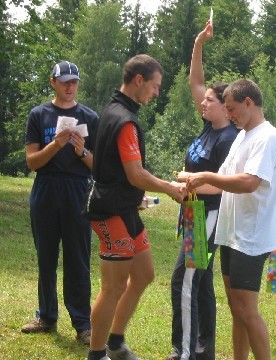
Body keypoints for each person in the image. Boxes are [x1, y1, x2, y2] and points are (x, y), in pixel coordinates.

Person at [85, 54, 187, 360]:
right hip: (108, 211)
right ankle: (97, 353)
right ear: (139, 80)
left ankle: (115, 343)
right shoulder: (124, 119)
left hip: (126, 207)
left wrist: (133, 195)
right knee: (113, 287)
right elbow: (135, 173)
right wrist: (170, 188)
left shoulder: (115, 111)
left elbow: (113, 168)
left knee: (143, 274)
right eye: (155, 86)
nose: (156, 93)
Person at [185, 79, 276, 360]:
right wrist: (189, 187)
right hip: (231, 233)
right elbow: (223, 183)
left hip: (250, 238)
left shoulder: (267, 137)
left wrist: (204, 176)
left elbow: (250, 182)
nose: (229, 115)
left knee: (246, 309)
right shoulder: (243, 135)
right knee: (236, 306)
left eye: (231, 109)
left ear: (248, 103)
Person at [167, 19, 239, 360]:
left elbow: (225, 186)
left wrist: (189, 182)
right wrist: (198, 42)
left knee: (184, 280)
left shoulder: (228, 138)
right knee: (202, 283)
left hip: (206, 215)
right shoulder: (209, 126)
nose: (203, 102)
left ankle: (184, 352)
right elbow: (195, 81)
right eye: (204, 99)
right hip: (192, 211)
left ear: (226, 107)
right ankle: (203, 349)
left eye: (210, 100)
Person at [22, 60, 98, 345]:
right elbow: (32, 162)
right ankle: (46, 315)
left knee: (78, 258)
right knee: (46, 256)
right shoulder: (38, 115)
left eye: (74, 81)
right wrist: (55, 144)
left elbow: (98, 166)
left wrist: (80, 151)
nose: (70, 86)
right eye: (64, 80)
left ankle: (82, 323)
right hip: (46, 188)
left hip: (78, 189)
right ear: (53, 82)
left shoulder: (89, 117)